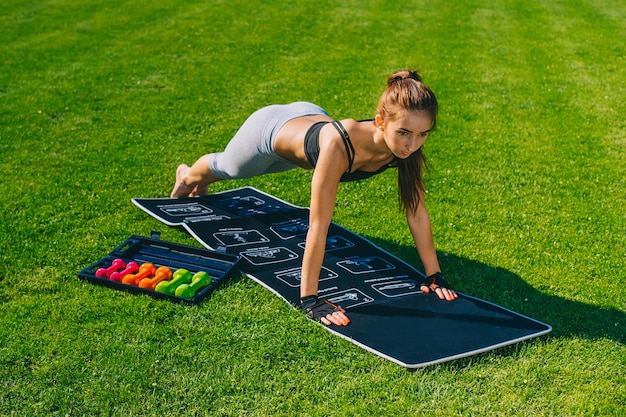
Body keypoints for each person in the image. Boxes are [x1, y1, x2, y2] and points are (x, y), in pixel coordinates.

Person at [171, 69, 458, 326]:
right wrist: (309, 298)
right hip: (269, 132)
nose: (413, 144)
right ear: (381, 121)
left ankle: (196, 177)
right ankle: (187, 175)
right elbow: (318, 225)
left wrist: (434, 275)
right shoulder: (339, 144)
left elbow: (417, 212)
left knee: (245, 167)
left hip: (309, 122)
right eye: (405, 133)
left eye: (423, 134)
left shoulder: (405, 147)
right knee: (229, 168)